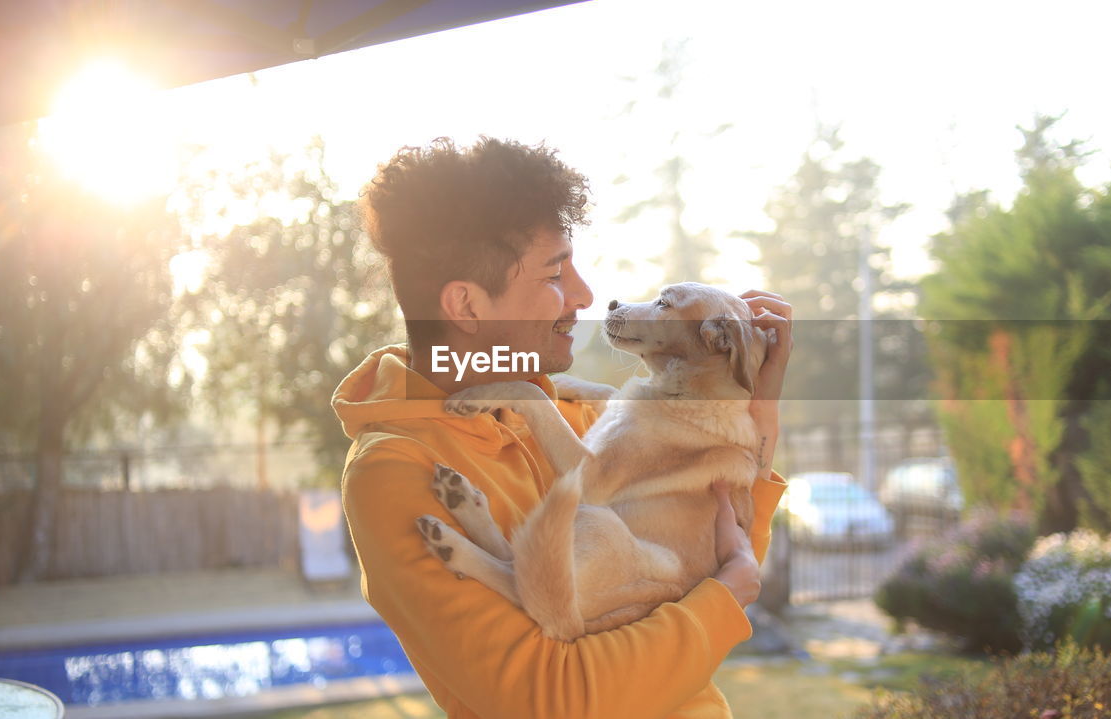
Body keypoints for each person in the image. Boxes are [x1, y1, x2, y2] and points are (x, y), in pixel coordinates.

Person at [334, 136, 793, 719]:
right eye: (555, 275)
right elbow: (555, 698)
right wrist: (725, 599)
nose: (584, 295)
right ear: (468, 306)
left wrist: (760, 412)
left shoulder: (588, 415)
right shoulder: (394, 471)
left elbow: (711, 548)